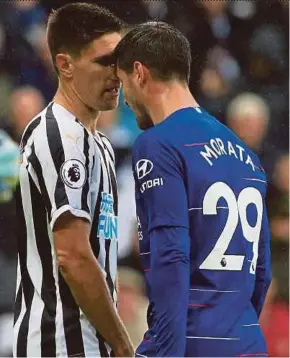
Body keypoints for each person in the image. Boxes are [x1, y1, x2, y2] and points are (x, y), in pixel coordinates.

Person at [114, 22, 271, 357]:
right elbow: (261, 271)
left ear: (139, 73)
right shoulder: (246, 155)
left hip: (191, 343)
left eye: (123, 83)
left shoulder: (158, 144)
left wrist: (166, 351)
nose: (124, 98)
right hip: (246, 343)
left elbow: (170, 256)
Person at [13, 3, 134, 357]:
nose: (117, 74)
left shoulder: (99, 144)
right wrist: (125, 346)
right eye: (104, 62)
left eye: (120, 62)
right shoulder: (59, 135)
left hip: (90, 343)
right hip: (58, 344)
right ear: (65, 64)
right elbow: (74, 257)